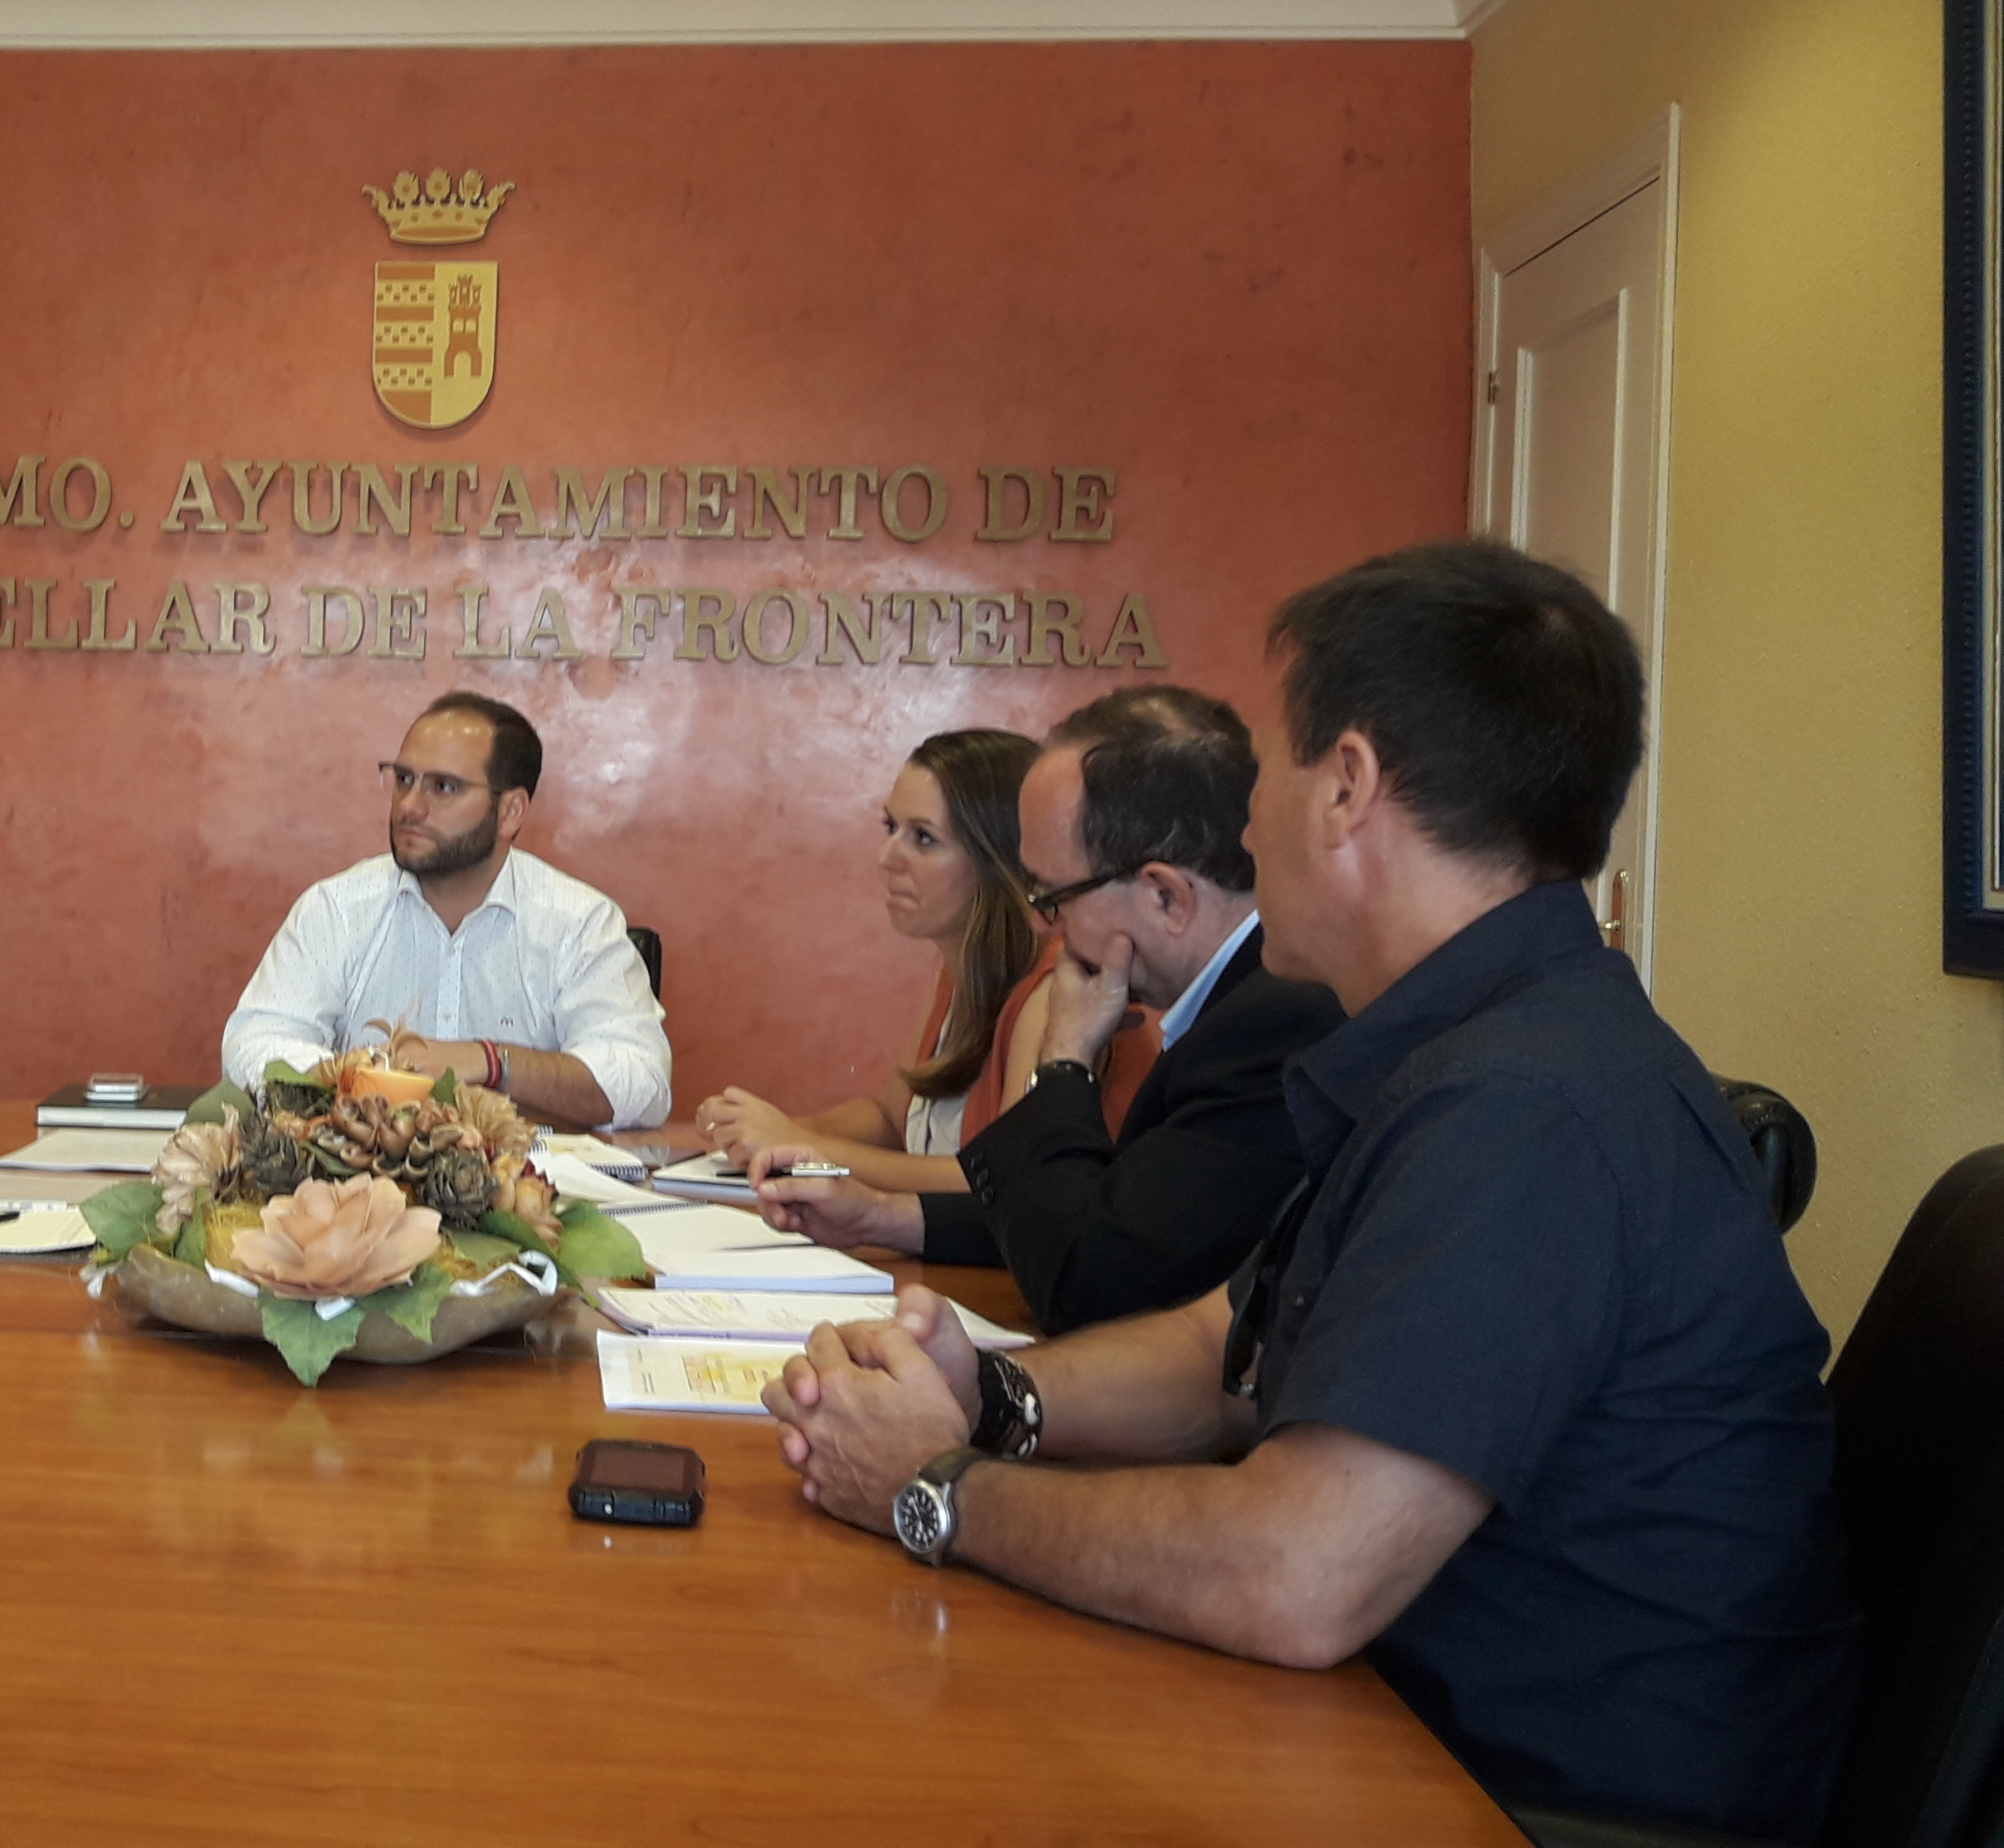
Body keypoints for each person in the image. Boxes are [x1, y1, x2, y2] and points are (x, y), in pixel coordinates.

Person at [760, 540, 1853, 1840]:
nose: (1245, 820)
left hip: (1538, 1799)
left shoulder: (1527, 1106)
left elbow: (1297, 1571)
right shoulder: (1467, 1044)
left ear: (1346, 787)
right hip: (1421, 1734)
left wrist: (935, 1485)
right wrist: (993, 1395)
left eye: (1268, 766)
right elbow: (1231, 1339)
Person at [752, 687, 1344, 1333]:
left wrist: (1064, 1062)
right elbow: (1101, 1215)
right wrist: (877, 1216)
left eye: (1054, 895)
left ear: (1165, 898)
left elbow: (1091, 1277)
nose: (1041, 920)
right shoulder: (1243, 998)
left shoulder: (1272, 1025)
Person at [221, 692, 670, 1129]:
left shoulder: (579, 922)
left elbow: (642, 1083)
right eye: (403, 780)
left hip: (529, 1187)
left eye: (444, 787)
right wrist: (365, 1076)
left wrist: (489, 1062)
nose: (411, 807)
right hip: (367, 1187)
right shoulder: (336, 909)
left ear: (510, 811)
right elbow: (252, 1044)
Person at [695, 729, 1065, 1195]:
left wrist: (802, 1147)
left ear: (998, 859)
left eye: (924, 838)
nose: (888, 858)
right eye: (891, 828)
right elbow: (891, 1121)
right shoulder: (957, 970)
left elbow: (999, 1184)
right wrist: (759, 1133)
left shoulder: (1054, 991)